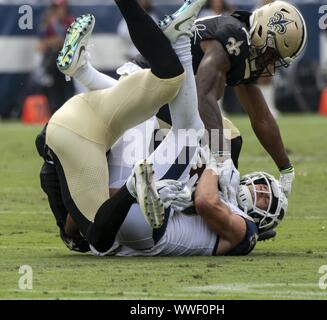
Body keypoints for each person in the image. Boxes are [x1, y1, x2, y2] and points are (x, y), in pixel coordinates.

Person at [60, 1, 307, 199]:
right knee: (220, 139)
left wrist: (285, 168)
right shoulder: (234, 37)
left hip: (148, 83)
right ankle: (208, 205)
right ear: (263, 32)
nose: (272, 63)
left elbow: (260, 116)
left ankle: (84, 71)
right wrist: (221, 158)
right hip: (155, 80)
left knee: (214, 136)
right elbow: (204, 95)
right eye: (274, 54)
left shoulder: (242, 42)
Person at [37, 0, 207, 254]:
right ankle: (84, 72)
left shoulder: (72, 191)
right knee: (101, 239)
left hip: (81, 125)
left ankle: (178, 40)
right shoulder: (71, 184)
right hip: (72, 119)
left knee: (101, 240)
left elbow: (85, 226)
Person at [37, 0, 75, 114]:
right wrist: (52, 42)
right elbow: (40, 47)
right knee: (54, 94)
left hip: (70, 65)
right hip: (53, 65)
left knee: (69, 93)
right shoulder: (50, 24)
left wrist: (63, 42)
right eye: (55, 9)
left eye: (59, 8)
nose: (57, 11)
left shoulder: (72, 22)